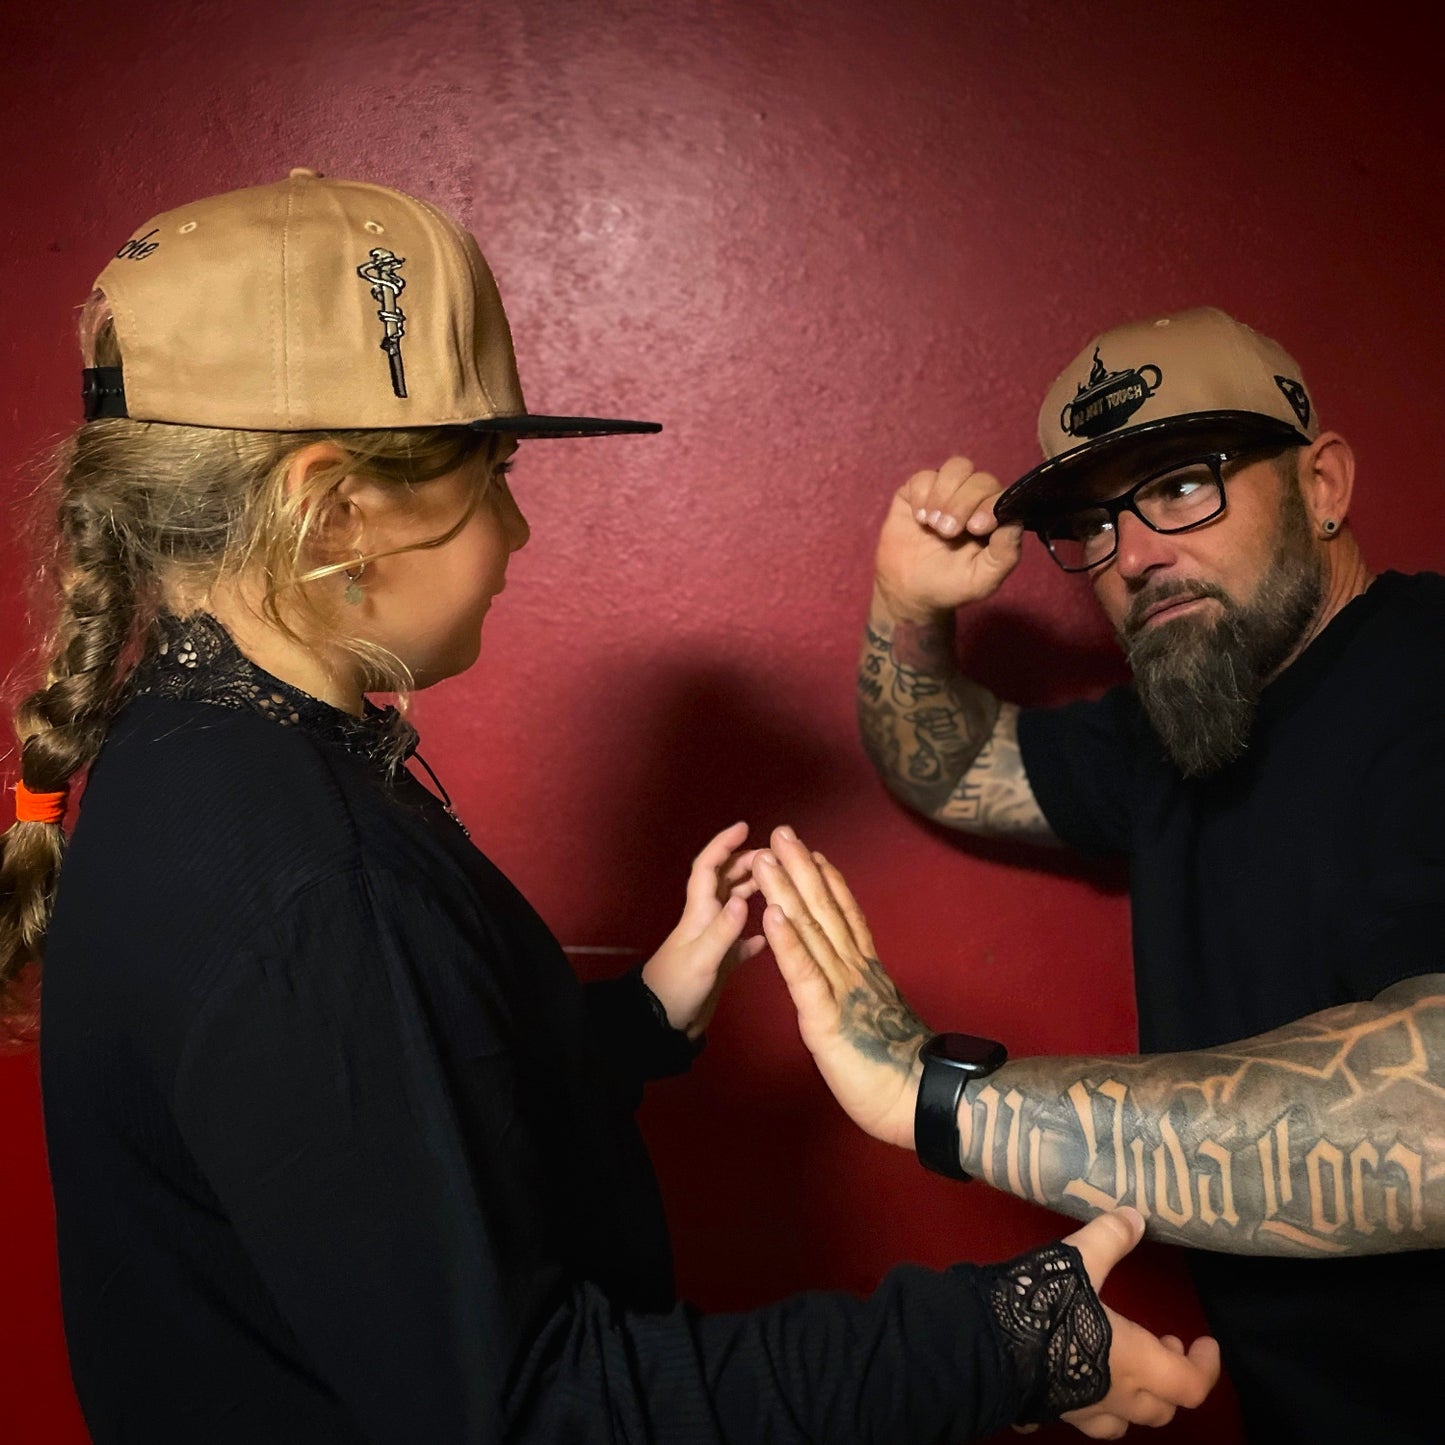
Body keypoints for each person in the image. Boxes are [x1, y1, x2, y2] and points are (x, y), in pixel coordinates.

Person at [0, 171, 1218, 1444]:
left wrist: (640, 1016)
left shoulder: (192, 751)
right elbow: (537, 1409)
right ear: (335, 509)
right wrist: (1002, 1341)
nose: (519, 528)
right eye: (493, 474)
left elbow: (368, 1123)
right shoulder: (311, 877)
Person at [833, 305, 1445, 1443]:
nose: (1132, 556)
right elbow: (951, 762)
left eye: (1178, 486)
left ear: (1321, 484)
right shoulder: (1183, 719)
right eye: (1093, 522)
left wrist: (946, 1096)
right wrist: (907, 606)